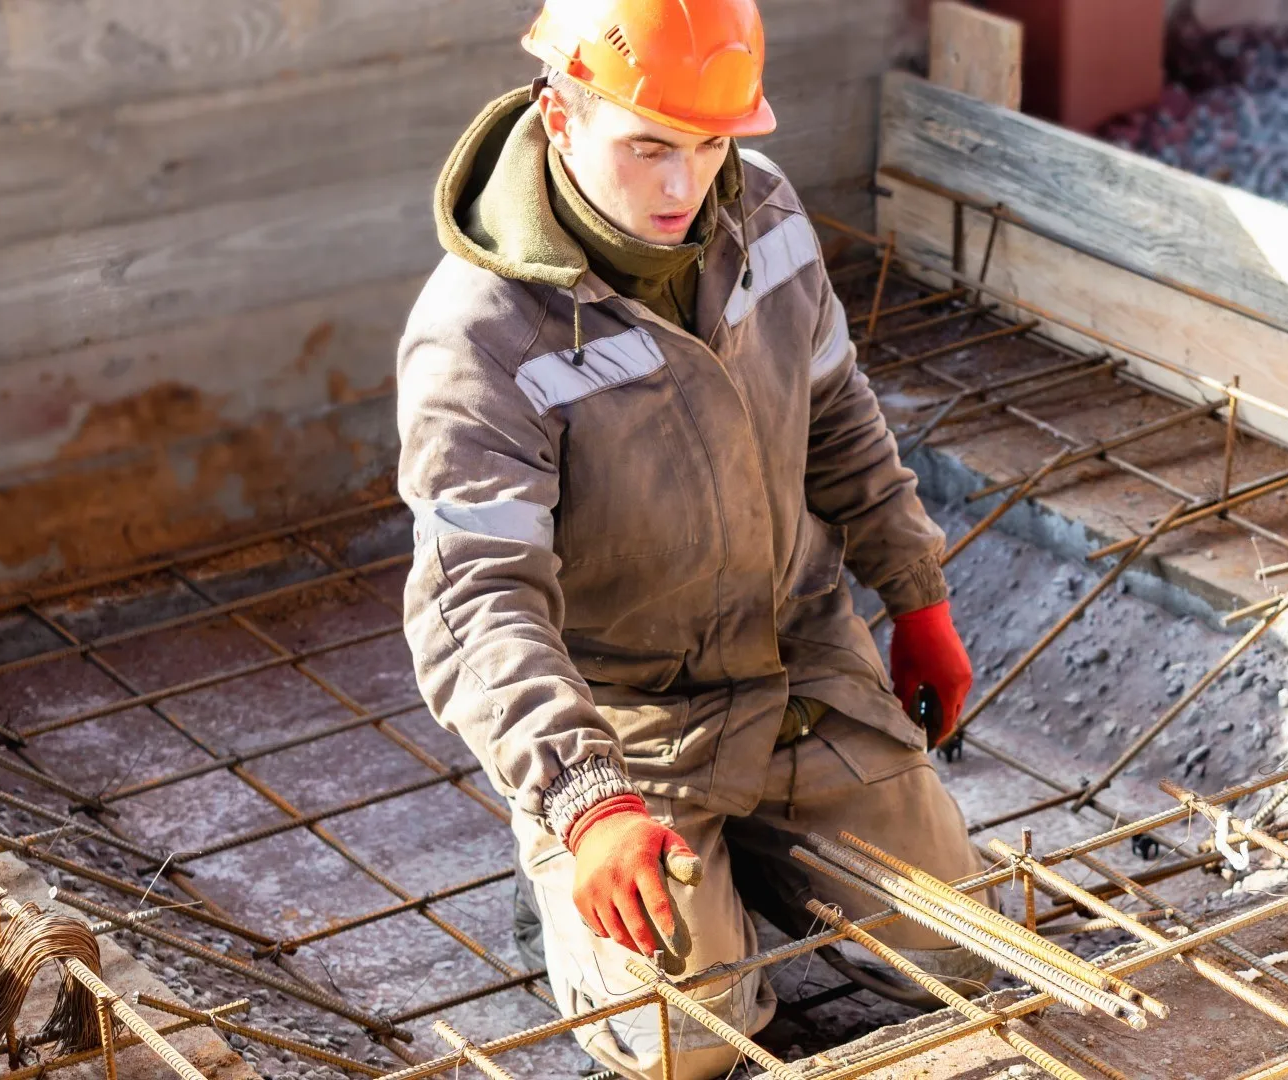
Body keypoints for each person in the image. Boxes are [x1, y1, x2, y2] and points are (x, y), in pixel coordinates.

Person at [395, 1, 988, 1076]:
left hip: (797, 669)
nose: (685, 188)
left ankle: (755, 860)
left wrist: (917, 594)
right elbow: (475, 600)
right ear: (559, 113)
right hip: (635, 727)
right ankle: (577, 884)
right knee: (685, 1046)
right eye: (650, 147)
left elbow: (837, 410)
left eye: (712, 144)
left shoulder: (760, 213)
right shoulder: (480, 333)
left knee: (956, 955)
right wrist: (586, 801)